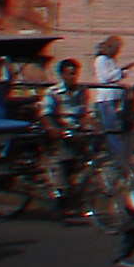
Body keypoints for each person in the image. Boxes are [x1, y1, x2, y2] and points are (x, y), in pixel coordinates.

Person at [41, 58, 91, 217]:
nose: (73, 77)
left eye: (75, 73)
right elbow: (46, 114)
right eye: (70, 73)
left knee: (86, 164)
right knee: (60, 165)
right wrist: (55, 128)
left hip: (77, 132)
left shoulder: (82, 91)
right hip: (61, 131)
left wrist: (91, 125)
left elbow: (85, 113)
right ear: (62, 75)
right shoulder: (53, 92)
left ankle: (77, 199)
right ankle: (59, 199)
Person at [89, 35, 133, 170]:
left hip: (114, 99)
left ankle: (113, 156)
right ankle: (120, 160)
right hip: (106, 99)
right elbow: (105, 78)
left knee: (113, 128)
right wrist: (121, 71)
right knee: (112, 130)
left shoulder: (110, 60)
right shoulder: (101, 60)